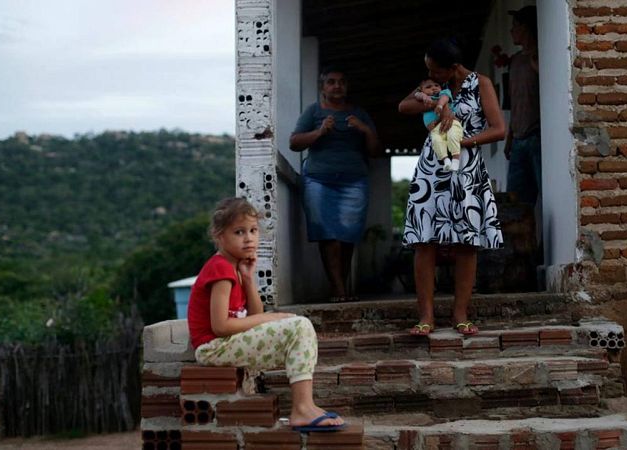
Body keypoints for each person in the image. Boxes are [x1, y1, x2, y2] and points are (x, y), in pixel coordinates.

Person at [187, 197, 345, 432]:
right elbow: (220, 326)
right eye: (239, 232)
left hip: (224, 342)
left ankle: (306, 405)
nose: (249, 238)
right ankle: (302, 408)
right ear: (219, 236)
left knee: (298, 325)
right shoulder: (220, 268)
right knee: (298, 326)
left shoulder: (236, 266)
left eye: (253, 230)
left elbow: (253, 314)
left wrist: (249, 278)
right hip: (213, 347)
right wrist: (271, 318)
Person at [398, 38, 506, 337]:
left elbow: (499, 129)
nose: (431, 75)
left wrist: (463, 140)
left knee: (467, 241)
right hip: (432, 168)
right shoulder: (432, 85)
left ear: (454, 68)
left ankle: (460, 313)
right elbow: (403, 106)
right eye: (429, 70)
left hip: (466, 166)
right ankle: (426, 316)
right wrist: (432, 102)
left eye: (436, 70)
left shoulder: (481, 83)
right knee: (424, 239)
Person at [289, 66, 382, 303]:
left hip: (354, 182)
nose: (337, 86)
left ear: (347, 87)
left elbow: (374, 150)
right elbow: (294, 143)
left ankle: (341, 286)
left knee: (347, 235)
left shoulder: (359, 113)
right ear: (323, 88)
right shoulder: (314, 111)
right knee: (327, 234)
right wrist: (320, 132)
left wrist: (364, 130)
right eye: (331, 82)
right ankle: (338, 289)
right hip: (319, 180)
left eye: (341, 82)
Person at [504, 6, 541, 206]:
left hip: (537, 136)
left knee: (547, 194)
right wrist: (509, 138)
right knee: (515, 202)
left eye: (516, 26)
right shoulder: (515, 61)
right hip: (518, 140)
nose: (512, 31)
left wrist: (535, 62)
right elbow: (515, 102)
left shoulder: (540, 57)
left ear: (527, 28)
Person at [414, 78, 464, 171]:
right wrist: (424, 96)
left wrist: (440, 105)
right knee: (437, 141)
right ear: (422, 90)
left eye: (437, 85)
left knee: (452, 136)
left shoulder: (444, 93)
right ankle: (446, 160)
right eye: (428, 87)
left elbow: (445, 98)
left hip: (450, 123)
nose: (434, 88)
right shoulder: (423, 98)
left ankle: (455, 160)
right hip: (436, 129)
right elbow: (417, 95)